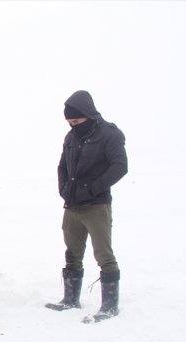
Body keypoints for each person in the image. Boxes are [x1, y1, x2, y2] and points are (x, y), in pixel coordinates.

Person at [46, 90, 128, 322]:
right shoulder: (71, 137)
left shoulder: (110, 134)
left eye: (76, 121)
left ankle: (110, 306)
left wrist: (92, 188)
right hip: (72, 206)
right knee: (72, 253)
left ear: (88, 115)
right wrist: (63, 189)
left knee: (104, 254)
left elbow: (120, 166)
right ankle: (70, 299)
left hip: (96, 205)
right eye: (69, 122)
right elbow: (62, 166)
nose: (73, 126)